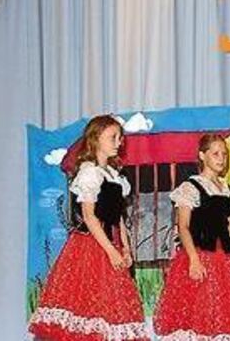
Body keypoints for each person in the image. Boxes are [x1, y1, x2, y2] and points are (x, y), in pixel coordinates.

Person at [29, 114, 147, 340]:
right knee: (85, 307)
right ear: (95, 139)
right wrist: (111, 250)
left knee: (111, 310)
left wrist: (126, 248)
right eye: (112, 137)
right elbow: (89, 216)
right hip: (90, 246)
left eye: (120, 137)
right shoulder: (89, 172)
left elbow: (118, 218)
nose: (118, 142)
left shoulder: (114, 176)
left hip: (111, 244)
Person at [154, 133, 230, 340]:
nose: (221, 159)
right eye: (215, 153)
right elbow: (183, 227)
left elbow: (227, 228)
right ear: (202, 155)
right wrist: (193, 260)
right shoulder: (190, 188)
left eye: (224, 154)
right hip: (199, 254)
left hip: (224, 260)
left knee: (223, 313)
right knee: (200, 310)